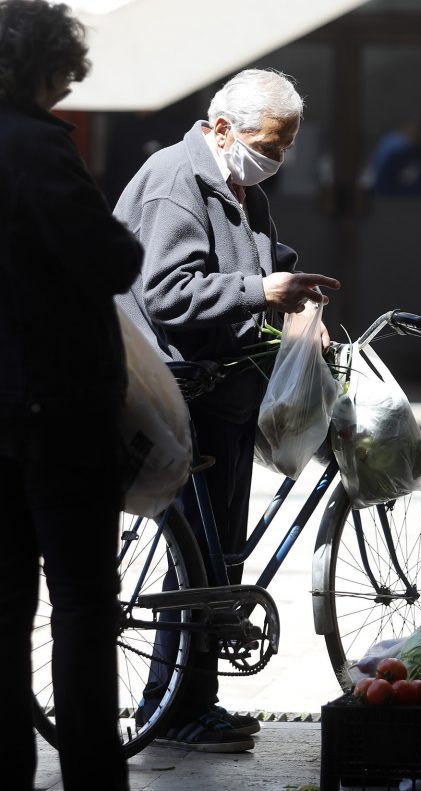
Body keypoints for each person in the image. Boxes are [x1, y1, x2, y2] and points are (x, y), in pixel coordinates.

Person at [114, 68, 340, 752]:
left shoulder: (238, 185)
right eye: (271, 143)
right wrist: (260, 289)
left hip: (224, 386)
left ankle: (192, 702)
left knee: (218, 559)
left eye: (287, 145)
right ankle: (170, 704)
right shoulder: (176, 180)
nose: (277, 158)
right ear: (220, 128)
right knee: (194, 563)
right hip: (178, 390)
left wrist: (296, 293)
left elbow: (268, 259)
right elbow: (168, 293)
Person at [0, 2, 144, 789]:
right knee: (85, 607)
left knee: (4, 612)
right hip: (58, 409)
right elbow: (111, 260)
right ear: (41, 68)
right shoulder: (37, 150)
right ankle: (93, 775)